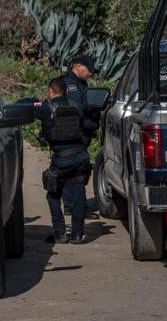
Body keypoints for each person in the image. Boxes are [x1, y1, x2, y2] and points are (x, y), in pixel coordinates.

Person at [32, 76, 96, 244]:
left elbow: (29, 107)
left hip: (62, 160)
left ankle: (60, 234)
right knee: (79, 194)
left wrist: (35, 101)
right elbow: (88, 124)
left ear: (51, 92)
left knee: (53, 195)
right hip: (81, 157)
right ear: (66, 91)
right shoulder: (77, 106)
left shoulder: (47, 108)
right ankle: (77, 235)